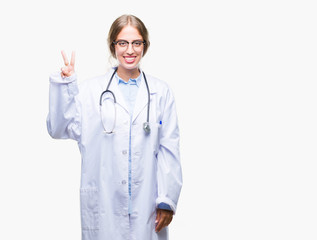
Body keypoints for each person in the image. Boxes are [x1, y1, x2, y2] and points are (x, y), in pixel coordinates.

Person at [47, 14, 182, 240]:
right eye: (123, 43)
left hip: (147, 206)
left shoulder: (161, 92)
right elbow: (59, 129)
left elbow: (170, 148)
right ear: (113, 46)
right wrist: (65, 86)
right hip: (104, 205)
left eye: (136, 43)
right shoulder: (91, 92)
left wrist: (167, 199)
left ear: (144, 46)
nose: (130, 50)